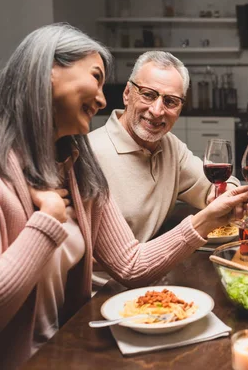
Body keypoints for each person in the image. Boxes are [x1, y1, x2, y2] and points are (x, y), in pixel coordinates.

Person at [0, 24, 248, 370]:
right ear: (47, 72)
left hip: (71, 349)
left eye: (171, 101)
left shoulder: (75, 163)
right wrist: (49, 218)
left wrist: (208, 218)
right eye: (96, 77)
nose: (102, 99)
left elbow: (130, 265)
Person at [89, 51, 239, 244]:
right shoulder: (89, 154)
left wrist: (227, 193)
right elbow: (82, 254)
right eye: (148, 95)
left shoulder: (171, 147)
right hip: (111, 274)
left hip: (156, 269)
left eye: (170, 101)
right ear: (127, 94)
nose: (157, 111)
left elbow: (214, 186)